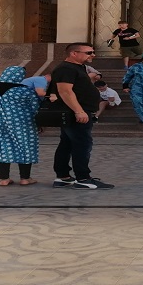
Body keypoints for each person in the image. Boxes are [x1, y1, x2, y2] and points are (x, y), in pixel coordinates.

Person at [50, 42, 113, 190]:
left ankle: (63, 177)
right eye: (89, 52)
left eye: (92, 52)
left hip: (79, 112)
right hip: (75, 114)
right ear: (74, 53)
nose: (93, 55)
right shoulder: (66, 68)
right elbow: (65, 91)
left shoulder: (78, 68)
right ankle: (83, 178)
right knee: (82, 145)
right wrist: (79, 111)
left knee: (67, 144)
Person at [0, 66, 43, 186]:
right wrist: (38, 123)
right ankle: (25, 178)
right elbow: (35, 107)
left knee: (3, 148)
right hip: (23, 123)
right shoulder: (24, 90)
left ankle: (4, 179)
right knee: (25, 147)